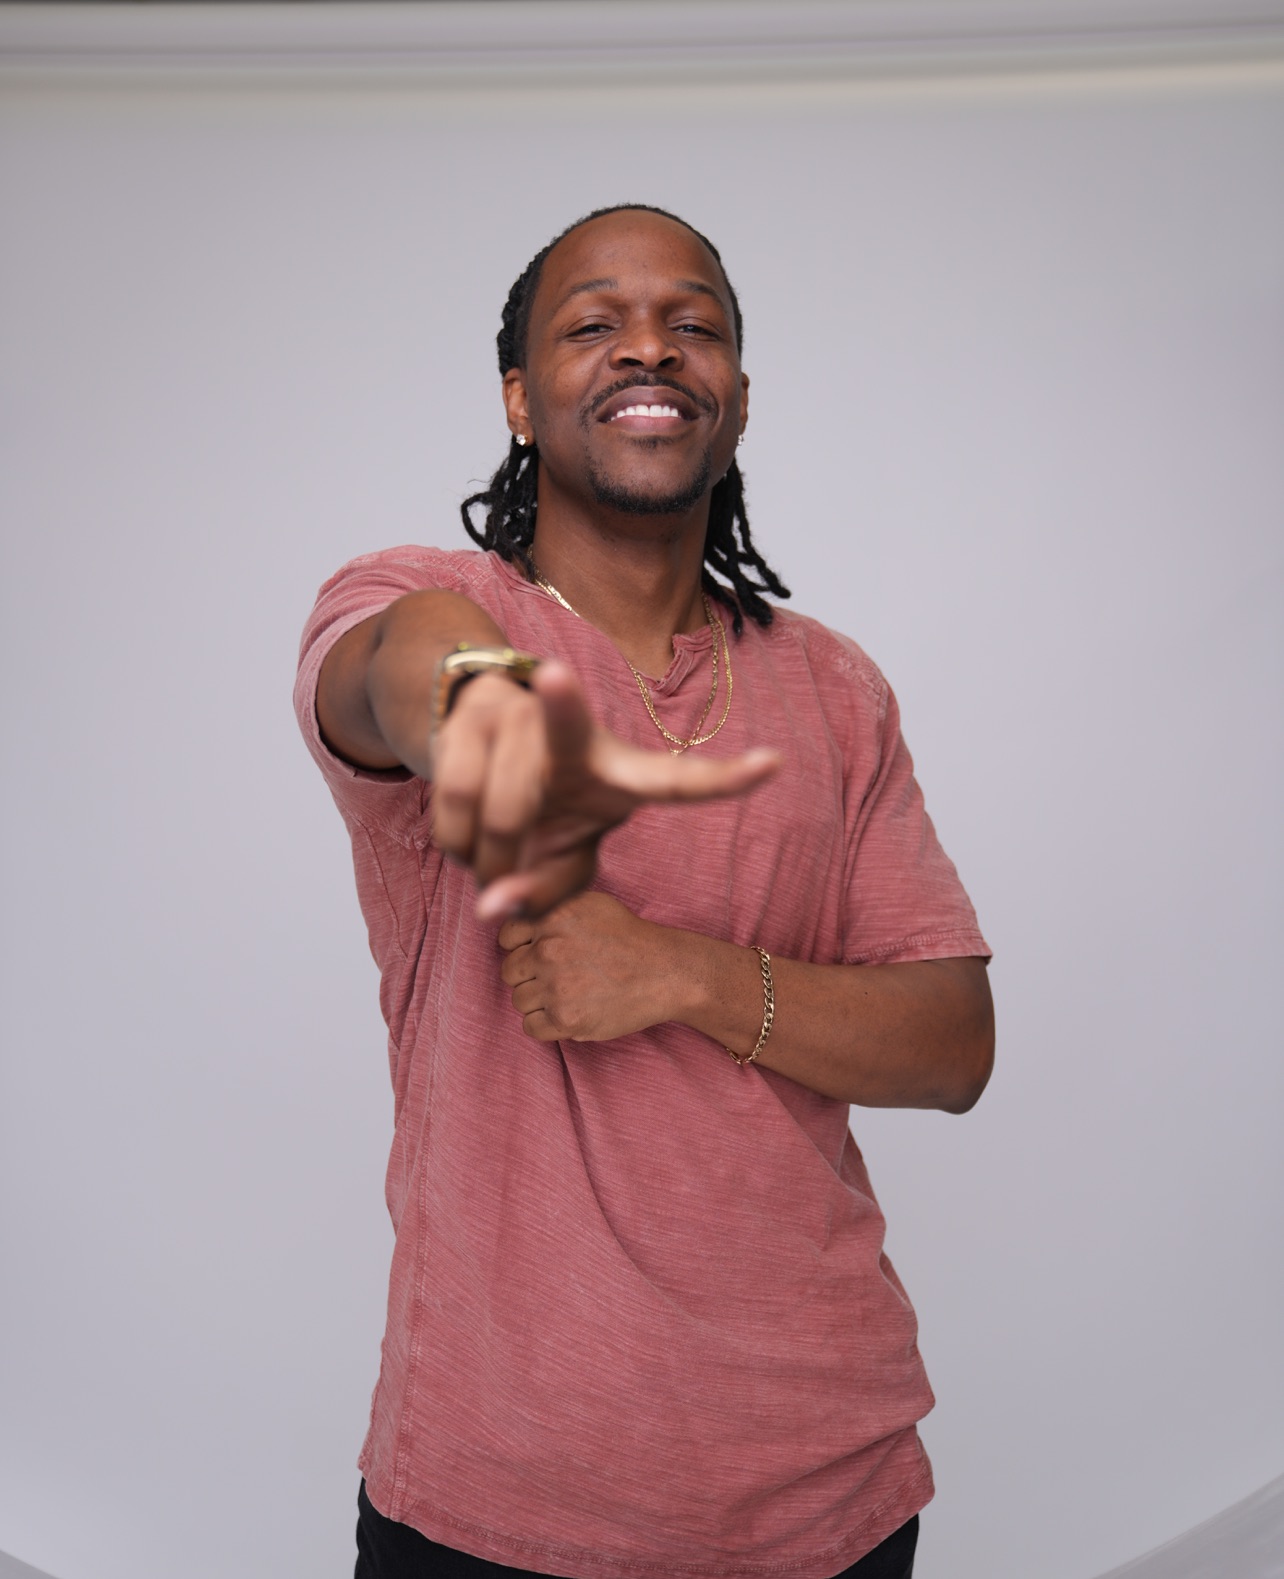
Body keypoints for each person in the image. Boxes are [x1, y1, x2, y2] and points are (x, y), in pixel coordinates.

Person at [295, 204, 994, 1579]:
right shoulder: (428, 593)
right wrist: (486, 723)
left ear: (737, 393)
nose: (650, 350)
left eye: (692, 324)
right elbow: (404, 660)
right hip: (503, 1495)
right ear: (519, 398)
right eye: (593, 324)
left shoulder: (834, 686)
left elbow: (954, 1045)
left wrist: (675, 971)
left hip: (832, 1481)